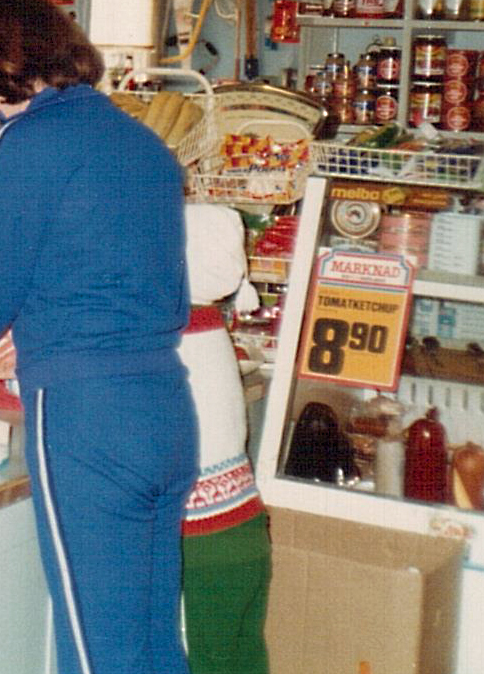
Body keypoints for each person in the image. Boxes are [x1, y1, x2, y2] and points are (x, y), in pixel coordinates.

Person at [0, 0, 196, 674]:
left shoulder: (26, 142)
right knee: (155, 645)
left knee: (98, 654)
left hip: (87, 417)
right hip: (165, 405)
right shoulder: (141, 143)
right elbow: (109, 275)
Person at [178, 204, 271, 674]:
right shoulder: (211, 327)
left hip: (199, 543)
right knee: (244, 660)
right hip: (246, 531)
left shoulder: (171, 336)